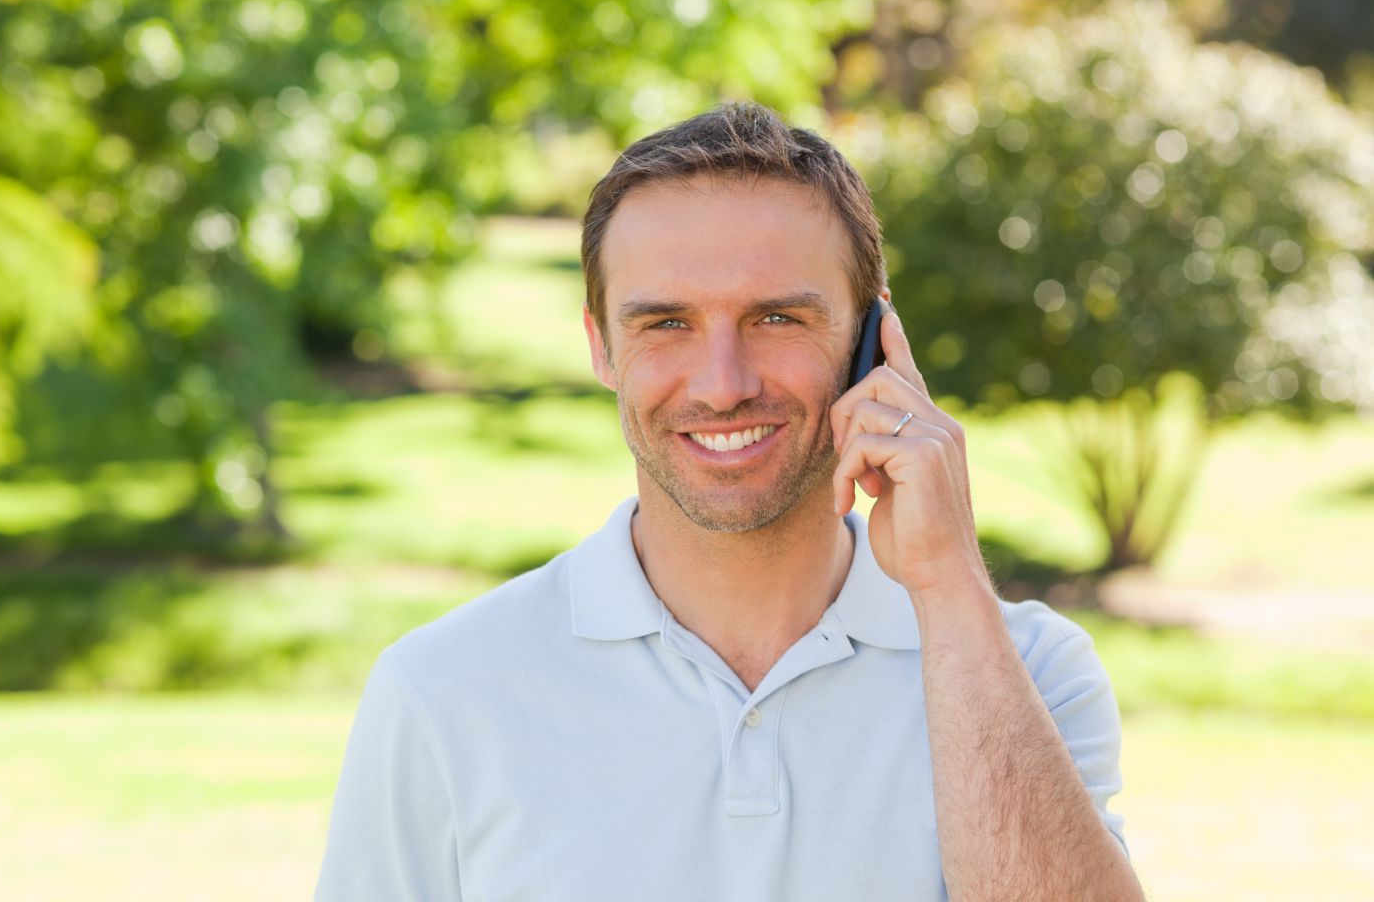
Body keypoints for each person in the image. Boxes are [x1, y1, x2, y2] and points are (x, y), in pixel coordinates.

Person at [315, 102, 1144, 901]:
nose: (723, 386)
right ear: (602, 346)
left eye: (776, 318)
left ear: (874, 341)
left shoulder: (1029, 673)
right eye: (666, 324)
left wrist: (948, 586)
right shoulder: (444, 692)